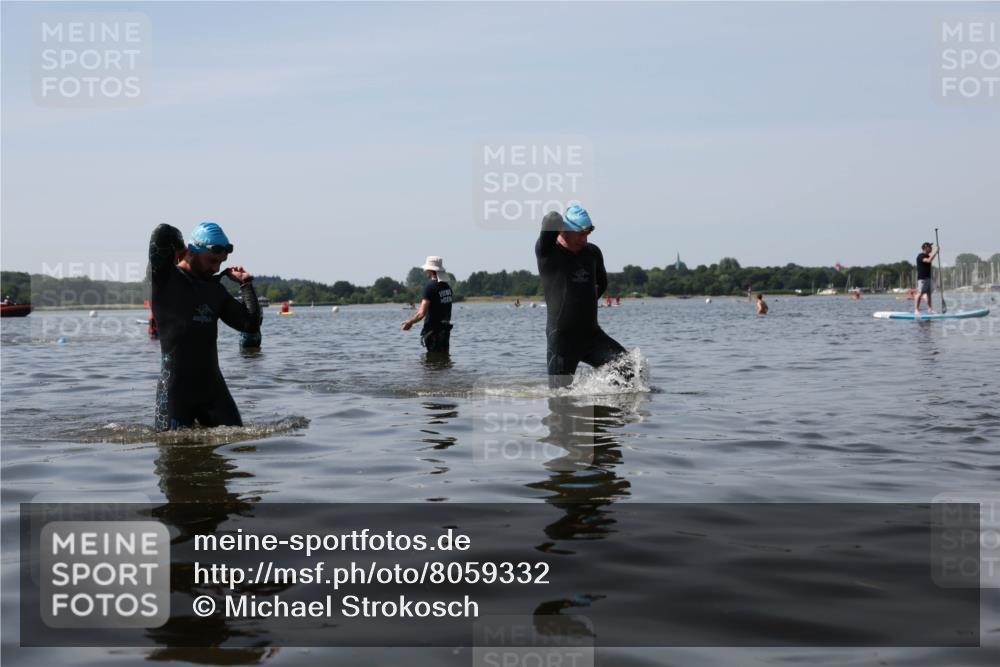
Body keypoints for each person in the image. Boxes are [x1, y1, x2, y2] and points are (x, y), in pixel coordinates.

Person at [148, 221, 261, 431]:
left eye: (221, 262)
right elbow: (162, 231)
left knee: (239, 442)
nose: (216, 268)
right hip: (175, 391)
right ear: (194, 251)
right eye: (212, 260)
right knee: (173, 454)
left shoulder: (214, 289)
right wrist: (181, 248)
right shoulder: (166, 278)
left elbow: (250, 324)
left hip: (213, 390)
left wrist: (246, 284)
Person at [536, 206, 627, 387]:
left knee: (630, 370)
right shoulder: (548, 253)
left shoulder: (592, 253)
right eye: (580, 234)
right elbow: (550, 219)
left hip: (592, 336)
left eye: (587, 234)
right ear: (563, 230)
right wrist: (561, 222)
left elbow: (602, 284)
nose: (584, 240)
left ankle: (606, 411)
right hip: (562, 341)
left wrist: (583, 304)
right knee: (559, 397)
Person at [402, 256, 453, 354]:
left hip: (433, 332)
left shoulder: (430, 287)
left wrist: (410, 322)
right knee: (444, 360)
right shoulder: (447, 287)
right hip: (445, 331)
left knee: (432, 364)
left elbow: (421, 313)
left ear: (430, 270)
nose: (426, 271)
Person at [915, 241, 940, 315]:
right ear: (925, 248)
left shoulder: (928, 256)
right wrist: (936, 252)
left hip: (928, 278)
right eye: (930, 247)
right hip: (922, 278)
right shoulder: (920, 256)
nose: (931, 248)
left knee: (929, 294)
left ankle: (930, 309)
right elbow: (928, 261)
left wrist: (935, 253)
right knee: (919, 293)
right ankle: (916, 310)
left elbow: (930, 259)